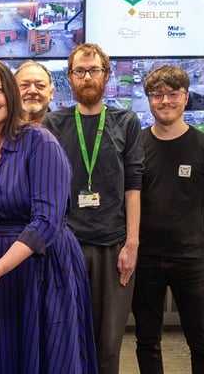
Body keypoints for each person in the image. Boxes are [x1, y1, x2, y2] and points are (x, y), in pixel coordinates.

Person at [0, 58, 97, 374]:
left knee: (45, 356)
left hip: (39, 269)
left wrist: (0, 268)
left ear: (11, 96)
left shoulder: (40, 142)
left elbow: (47, 220)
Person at [45, 43, 144, 374]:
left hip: (113, 247)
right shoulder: (52, 124)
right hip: (66, 245)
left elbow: (133, 186)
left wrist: (132, 244)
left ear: (106, 75)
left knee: (108, 343)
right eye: (79, 71)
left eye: (94, 70)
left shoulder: (125, 121)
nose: (87, 77)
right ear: (70, 78)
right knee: (67, 337)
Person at [133, 65, 204, 374]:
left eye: (173, 94)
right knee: (147, 339)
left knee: (201, 340)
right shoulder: (135, 145)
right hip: (145, 257)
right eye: (157, 94)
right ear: (149, 99)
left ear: (185, 98)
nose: (165, 101)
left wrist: (181, 223)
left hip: (189, 258)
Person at [14, 60, 55, 125]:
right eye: (24, 85)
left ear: (52, 93)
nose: (32, 91)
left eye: (40, 85)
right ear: (12, 91)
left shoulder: (65, 129)